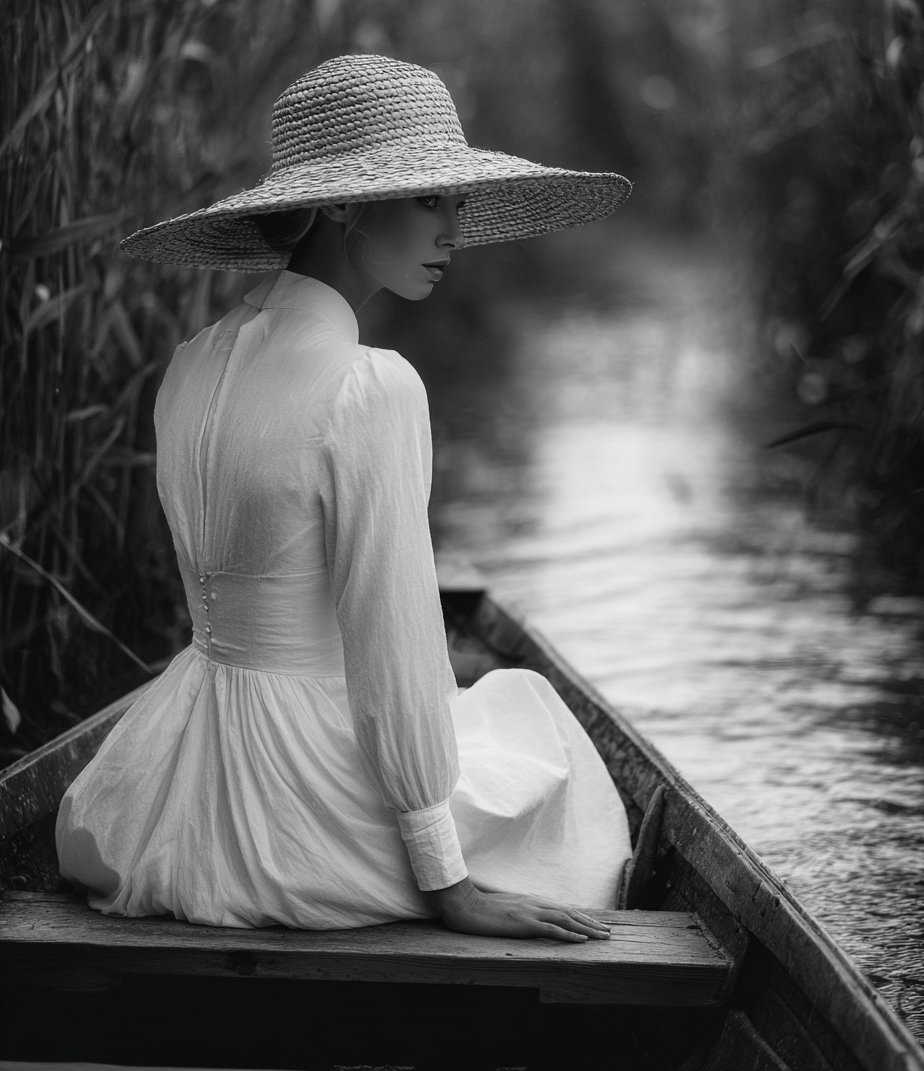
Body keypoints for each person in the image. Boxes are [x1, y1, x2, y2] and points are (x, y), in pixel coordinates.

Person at [55, 54, 633, 941]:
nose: (454, 227)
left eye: (456, 200)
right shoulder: (371, 387)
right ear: (341, 205)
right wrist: (449, 883)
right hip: (301, 810)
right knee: (536, 724)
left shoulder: (190, 364)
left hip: (171, 773)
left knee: (501, 718)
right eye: (429, 198)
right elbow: (391, 645)